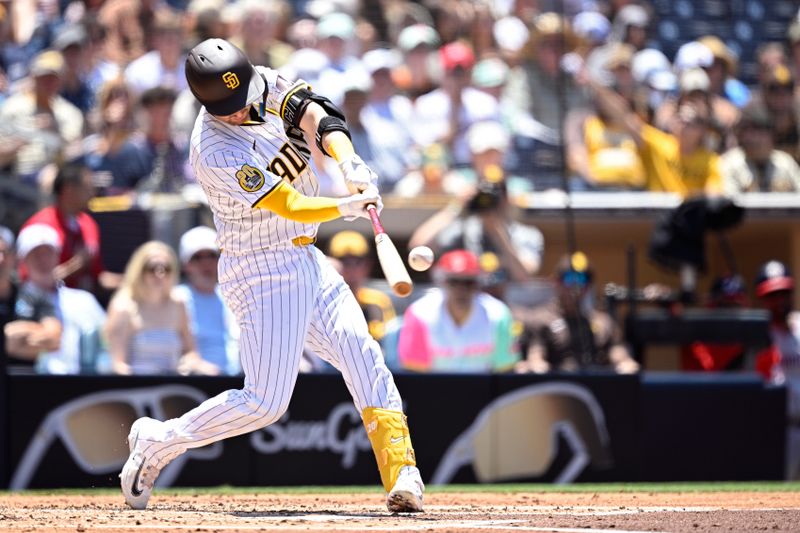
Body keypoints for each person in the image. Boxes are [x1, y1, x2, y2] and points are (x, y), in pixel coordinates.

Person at [119, 38, 424, 513]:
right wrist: (346, 204)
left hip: (306, 258)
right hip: (261, 267)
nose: (241, 112)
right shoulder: (213, 150)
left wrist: (349, 162)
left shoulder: (257, 82)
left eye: (242, 102)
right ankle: (159, 441)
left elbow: (317, 114)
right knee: (265, 402)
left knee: (361, 351)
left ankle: (402, 472)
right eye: (228, 109)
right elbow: (288, 203)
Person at [409, 165, 544, 282]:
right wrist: (457, 207)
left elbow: (524, 276)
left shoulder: (527, 234)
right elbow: (418, 247)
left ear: (507, 198)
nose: (489, 199)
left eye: (497, 192)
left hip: (510, 302)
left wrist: (497, 231)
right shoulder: (464, 229)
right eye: (483, 193)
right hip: (470, 299)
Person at [104, 240, 217, 376]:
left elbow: (191, 352)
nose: (160, 274)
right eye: (152, 268)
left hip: (173, 388)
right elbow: (117, 366)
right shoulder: (123, 307)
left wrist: (190, 364)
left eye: (166, 269)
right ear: (139, 271)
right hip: (135, 389)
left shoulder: (178, 304)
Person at [515, 253, 639, 374]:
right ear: (556, 282)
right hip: (559, 388)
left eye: (582, 279)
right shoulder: (541, 319)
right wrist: (536, 363)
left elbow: (617, 351)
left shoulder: (603, 322)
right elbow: (536, 354)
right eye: (569, 278)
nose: (576, 286)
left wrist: (625, 362)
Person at [6, 224, 106, 374]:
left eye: (48, 252)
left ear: (57, 255)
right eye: (35, 253)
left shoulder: (84, 300)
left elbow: (108, 342)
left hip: (83, 387)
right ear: (22, 260)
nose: (42, 259)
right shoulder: (12, 298)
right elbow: (8, 343)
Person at [397, 249, 519, 373]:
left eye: (468, 282)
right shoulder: (419, 314)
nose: (461, 289)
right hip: (434, 391)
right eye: (454, 281)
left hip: (485, 391)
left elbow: (505, 371)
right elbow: (414, 374)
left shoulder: (499, 315)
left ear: (478, 283)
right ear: (442, 281)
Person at [20, 160, 119, 294]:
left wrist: (131, 282)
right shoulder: (41, 227)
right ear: (69, 190)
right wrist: (74, 266)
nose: (92, 193)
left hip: (81, 302)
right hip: (44, 305)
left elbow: (99, 277)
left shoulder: (88, 224)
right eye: (87, 187)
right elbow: (29, 282)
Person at [752, 261, 800, 480]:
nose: (779, 301)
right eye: (772, 295)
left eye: (783, 293)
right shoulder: (759, 336)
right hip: (781, 428)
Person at [174, 226, 240, 375]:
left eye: (211, 255)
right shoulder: (177, 298)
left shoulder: (234, 295)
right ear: (186, 265)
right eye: (197, 258)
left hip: (238, 383)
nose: (206, 263)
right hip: (194, 385)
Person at [327, 230, 395, 342]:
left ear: (368, 264)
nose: (351, 268)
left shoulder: (377, 302)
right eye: (343, 261)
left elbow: (389, 343)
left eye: (357, 261)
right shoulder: (322, 301)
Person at [721, 105, 800, 194]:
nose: (755, 139)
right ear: (741, 136)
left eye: (761, 132)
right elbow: (728, 203)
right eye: (750, 132)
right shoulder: (730, 163)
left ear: (773, 136)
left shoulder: (785, 162)